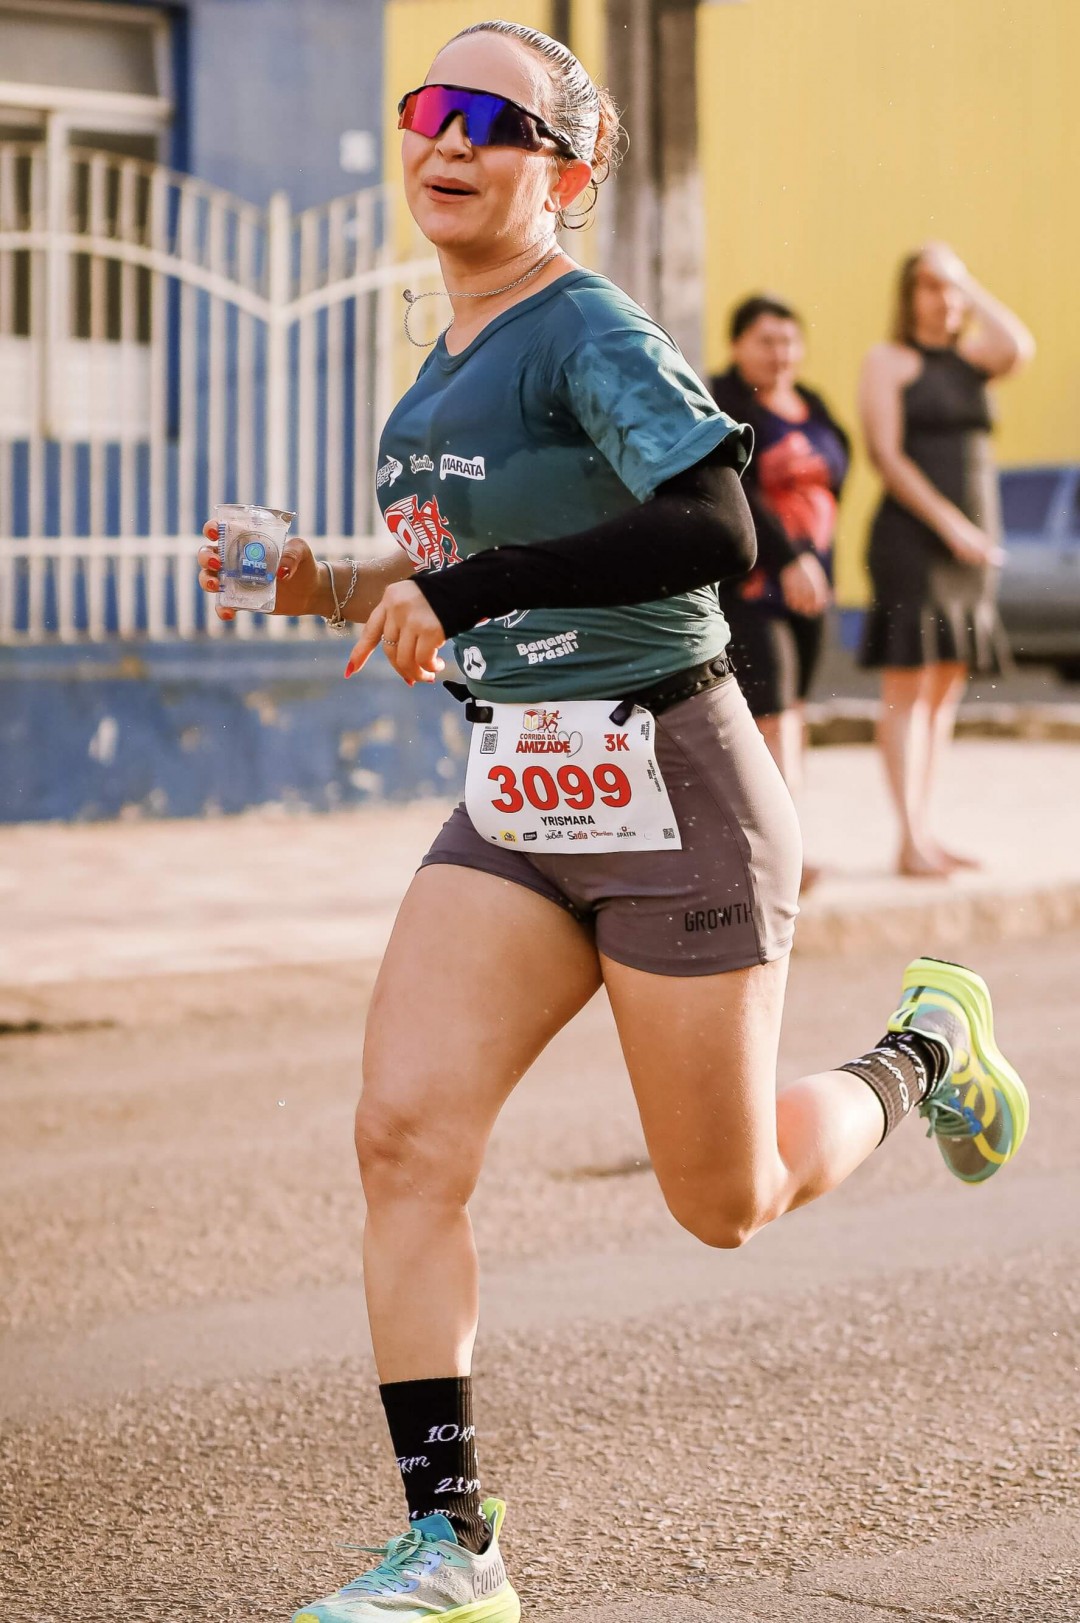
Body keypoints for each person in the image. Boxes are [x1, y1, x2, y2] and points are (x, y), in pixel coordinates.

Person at [197, 32, 1029, 1623]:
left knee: (725, 1199)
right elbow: (458, 554)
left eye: (493, 121)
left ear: (568, 174)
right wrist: (315, 575)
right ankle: (454, 1547)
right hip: (520, 794)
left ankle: (927, 1048)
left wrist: (463, 590)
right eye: (430, 110)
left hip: (676, 786)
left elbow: (713, 524)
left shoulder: (588, 327)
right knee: (402, 1137)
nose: (447, 140)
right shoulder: (437, 367)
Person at [858, 244, 1035, 877]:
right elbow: (886, 457)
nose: (944, 298)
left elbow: (1018, 345)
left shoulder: (974, 361)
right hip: (916, 543)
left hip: (972, 550)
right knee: (908, 689)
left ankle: (928, 831)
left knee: (945, 693)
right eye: (930, 285)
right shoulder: (888, 360)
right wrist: (950, 524)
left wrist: (967, 279)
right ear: (908, 296)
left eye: (950, 287)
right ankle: (908, 839)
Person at [710, 295, 850, 887]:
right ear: (737, 344)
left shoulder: (812, 403)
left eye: (789, 340)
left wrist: (815, 560)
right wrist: (789, 558)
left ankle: (783, 841)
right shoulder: (723, 403)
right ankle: (780, 853)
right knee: (770, 715)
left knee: (793, 712)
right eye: (766, 341)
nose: (780, 353)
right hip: (754, 586)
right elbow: (736, 488)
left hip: (812, 586)